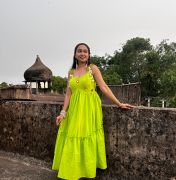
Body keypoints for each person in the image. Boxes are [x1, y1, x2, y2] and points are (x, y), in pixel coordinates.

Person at [52, 43, 135, 179]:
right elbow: (68, 93)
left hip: (90, 109)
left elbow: (103, 87)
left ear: (89, 55)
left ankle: (86, 170)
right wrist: (63, 112)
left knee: (86, 134)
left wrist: (119, 103)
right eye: (79, 51)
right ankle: (73, 171)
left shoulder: (93, 69)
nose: (82, 53)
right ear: (75, 54)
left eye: (85, 51)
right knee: (73, 135)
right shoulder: (71, 72)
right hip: (74, 110)